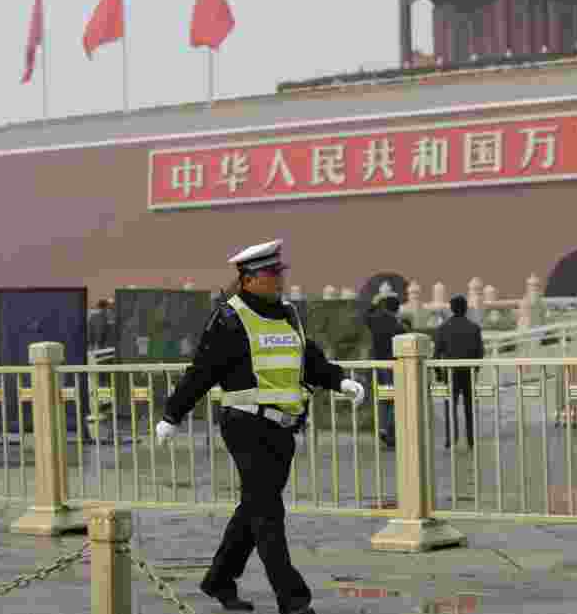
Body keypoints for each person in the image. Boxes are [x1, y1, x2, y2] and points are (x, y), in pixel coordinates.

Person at [155, 239, 365, 614]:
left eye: (279, 272)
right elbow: (202, 372)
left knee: (254, 509)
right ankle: (294, 602)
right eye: (271, 274)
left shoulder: (287, 314)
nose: (279, 280)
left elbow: (309, 360)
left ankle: (219, 579)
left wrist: (339, 381)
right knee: (268, 514)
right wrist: (172, 415)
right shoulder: (230, 318)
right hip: (245, 427)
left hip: (283, 430)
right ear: (249, 279)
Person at [433, 295, 484, 450]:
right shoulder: (474, 328)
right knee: (469, 407)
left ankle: (450, 438)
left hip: (450, 373)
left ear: (451, 308)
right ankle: (471, 439)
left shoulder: (443, 328)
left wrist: (439, 373)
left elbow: (436, 355)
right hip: (468, 372)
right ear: (466, 308)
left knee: (450, 406)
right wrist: (475, 369)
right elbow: (480, 353)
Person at [364, 291, 408, 449]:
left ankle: (384, 428)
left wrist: (375, 303)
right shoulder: (398, 326)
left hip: (377, 364)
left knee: (383, 398)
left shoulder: (375, 320)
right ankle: (388, 430)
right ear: (396, 309)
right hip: (392, 365)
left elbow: (366, 315)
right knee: (394, 398)